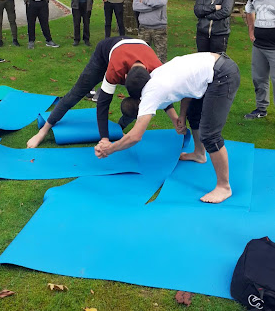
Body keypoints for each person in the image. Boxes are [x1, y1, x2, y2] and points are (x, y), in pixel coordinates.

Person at [95, 51, 240, 204]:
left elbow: (136, 136)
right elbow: (188, 87)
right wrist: (182, 115)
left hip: (222, 75)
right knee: (194, 115)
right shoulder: (156, 75)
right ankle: (199, 154)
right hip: (213, 67)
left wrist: (109, 149)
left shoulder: (150, 95)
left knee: (210, 135)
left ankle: (224, 187)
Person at [26, 37, 162, 148]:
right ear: (125, 77)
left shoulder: (158, 72)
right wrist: (104, 138)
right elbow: (102, 103)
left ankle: (119, 127)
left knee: (138, 104)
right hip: (103, 56)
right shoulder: (116, 68)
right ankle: (42, 131)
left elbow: (162, 97)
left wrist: (176, 120)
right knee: (76, 93)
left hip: (133, 54)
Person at [244, 0, 275, 119]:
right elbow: (249, 9)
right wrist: (251, 30)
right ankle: (261, 110)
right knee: (259, 79)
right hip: (259, 46)